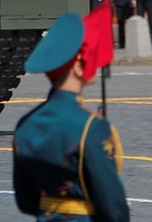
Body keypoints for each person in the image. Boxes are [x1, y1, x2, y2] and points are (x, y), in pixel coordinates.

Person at [13, 13, 129, 221]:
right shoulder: (92, 127)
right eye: (87, 56)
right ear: (76, 66)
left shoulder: (26, 124)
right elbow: (112, 206)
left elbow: (27, 200)